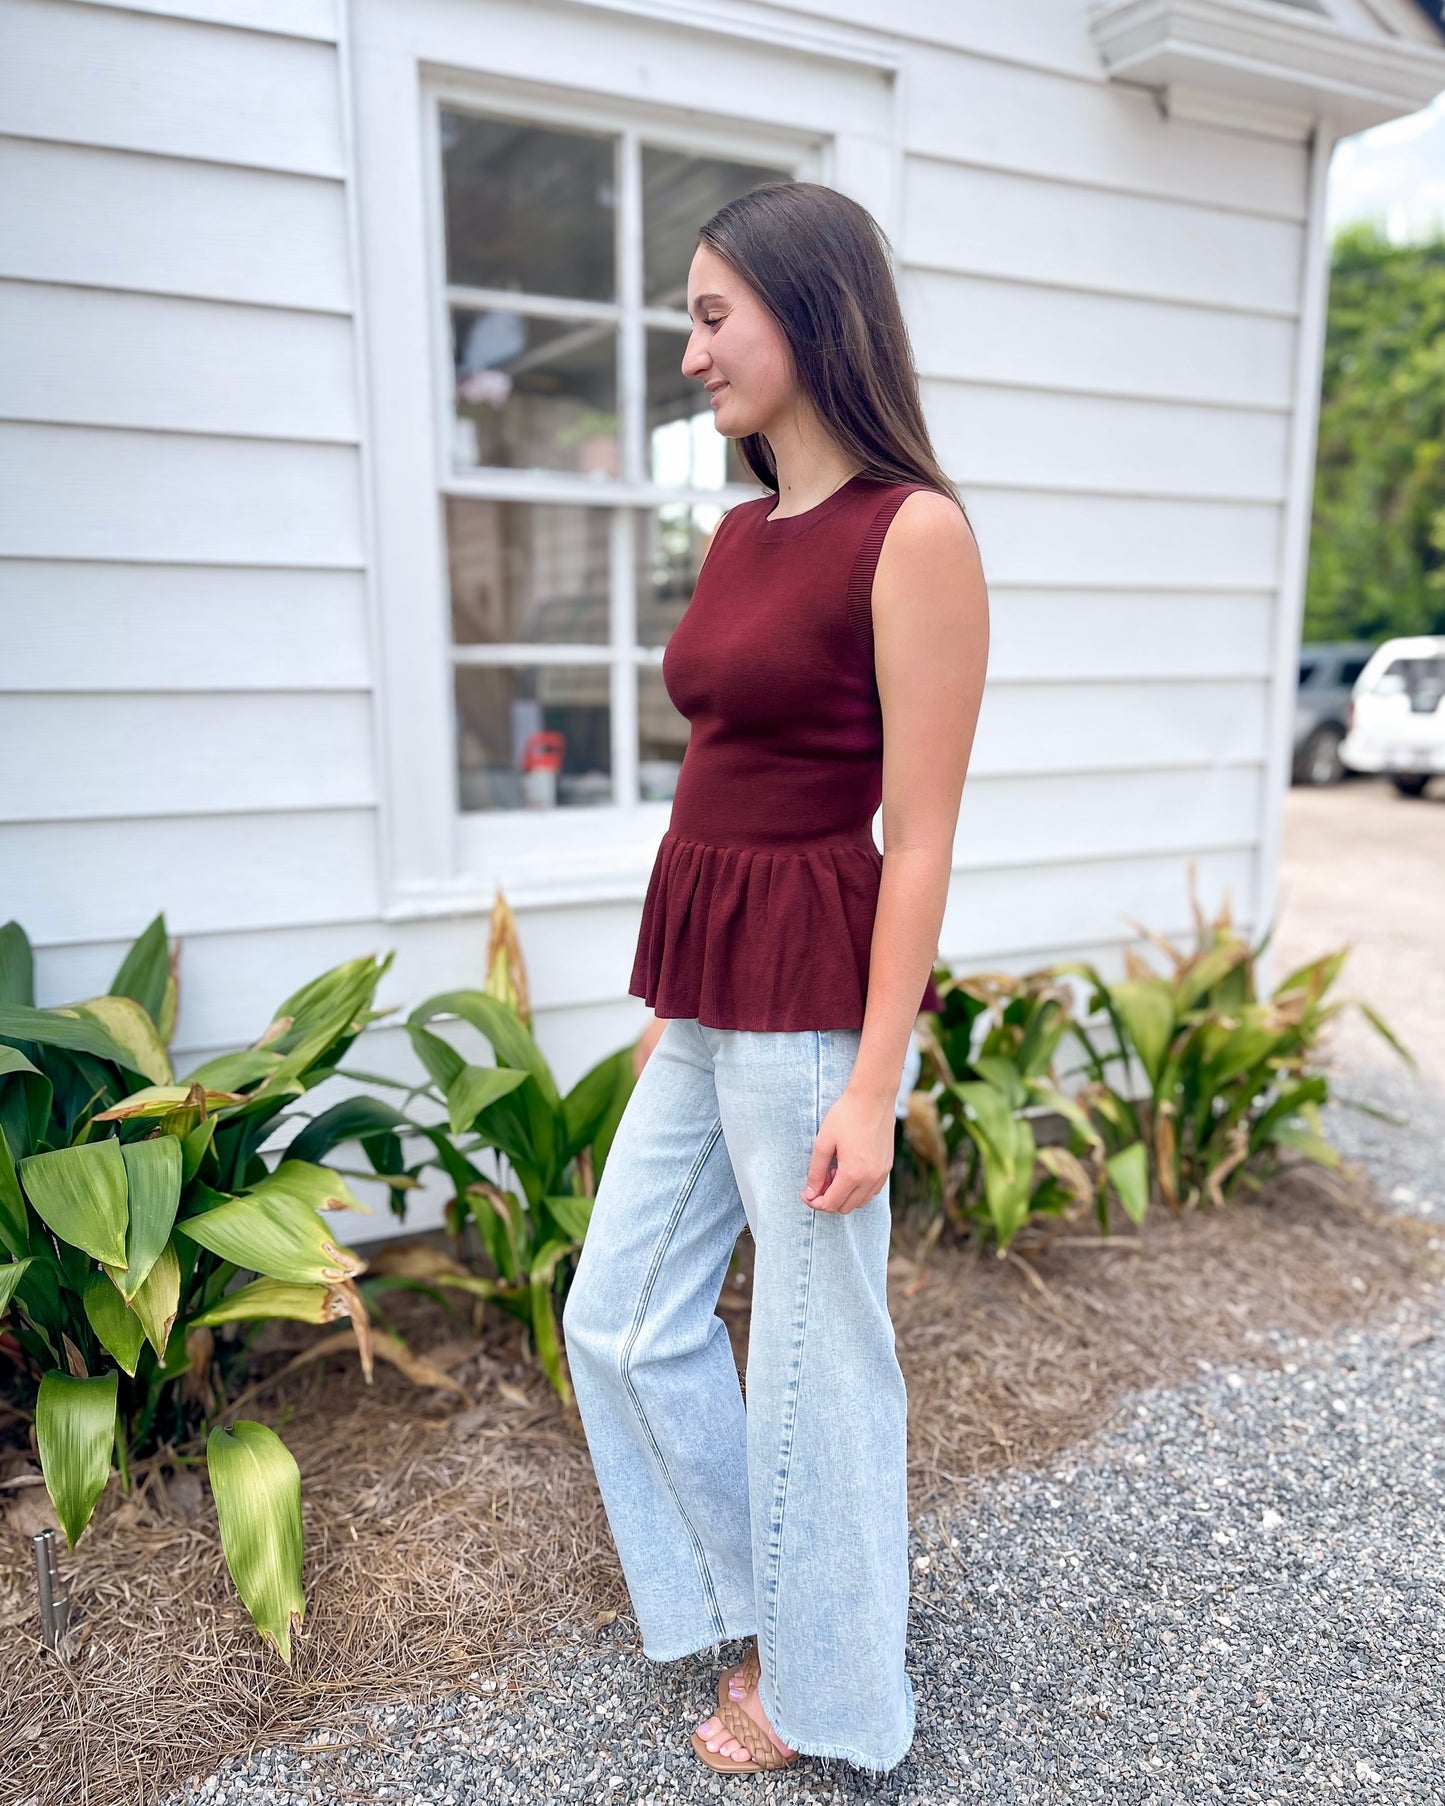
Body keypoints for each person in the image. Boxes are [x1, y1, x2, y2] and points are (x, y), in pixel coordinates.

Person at [561, 178, 988, 1777]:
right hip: (712, 984)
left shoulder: (912, 532)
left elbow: (921, 837)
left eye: (710, 313)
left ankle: (826, 1695)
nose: (690, 353)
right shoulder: (744, 529)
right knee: (617, 1315)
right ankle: (784, 1608)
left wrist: (875, 1082)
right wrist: (679, 982)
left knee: (815, 1367)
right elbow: (726, 765)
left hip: (814, 1001)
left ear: (811, 313)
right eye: (691, 316)